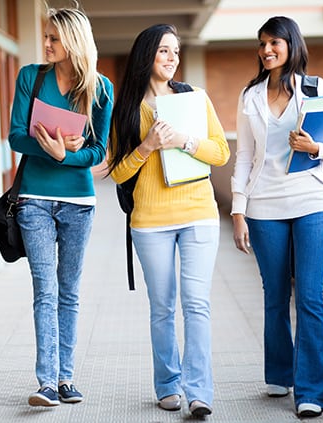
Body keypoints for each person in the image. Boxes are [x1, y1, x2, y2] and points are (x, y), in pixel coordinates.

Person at [107, 24, 229, 417]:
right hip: (151, 220)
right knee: (161, 307)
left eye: (175, 51)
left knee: (197, 304)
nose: (172, 58)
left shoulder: (195, 99)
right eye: (164, 51)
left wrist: (184, 141)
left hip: (198, 214)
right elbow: (119, 172)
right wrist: (148, 146)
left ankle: (199, 392)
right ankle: (166, 384)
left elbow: (221, 153)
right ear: (147, 56)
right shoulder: (126, 108)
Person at [231, 16, 323, 418]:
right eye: (262, 43)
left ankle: (312, 390)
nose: (266, 50)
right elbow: (244, 156)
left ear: (290, 44)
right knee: (275, 295)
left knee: (311, 298)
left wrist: (316, 148)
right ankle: (281, 373)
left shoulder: (315, 89)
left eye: (274, 43)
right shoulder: (250, 95)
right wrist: (238, 209)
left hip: (313, 202)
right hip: (264, 205)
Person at [8, 6, 113, 407]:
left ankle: (67, 377)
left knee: (69, 290)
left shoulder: (101, 88)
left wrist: (66, 156)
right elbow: (16, 136)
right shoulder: (30, 77)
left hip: (78, 202)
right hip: (34, 198)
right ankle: (46, 382)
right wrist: (48, 147)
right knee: (45, 289)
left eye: (54, 38)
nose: (46, 44)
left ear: (73, 42)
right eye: (46, 37)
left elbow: (99, 151)